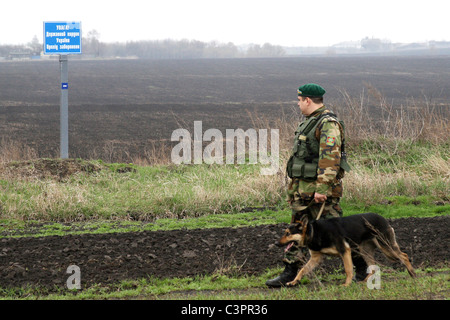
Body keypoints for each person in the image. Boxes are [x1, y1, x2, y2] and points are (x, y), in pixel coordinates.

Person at [266, 83, 365, 287]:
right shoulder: (309, 122)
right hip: (303, 193)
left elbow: (330, 159)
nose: (298, 103)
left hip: (320, 194)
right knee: (297, 231)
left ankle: (363, 269)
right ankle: (291, 271)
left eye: (300, 100)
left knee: (341, 234)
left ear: (308, 100)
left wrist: (322, 189)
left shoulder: (327, 123)